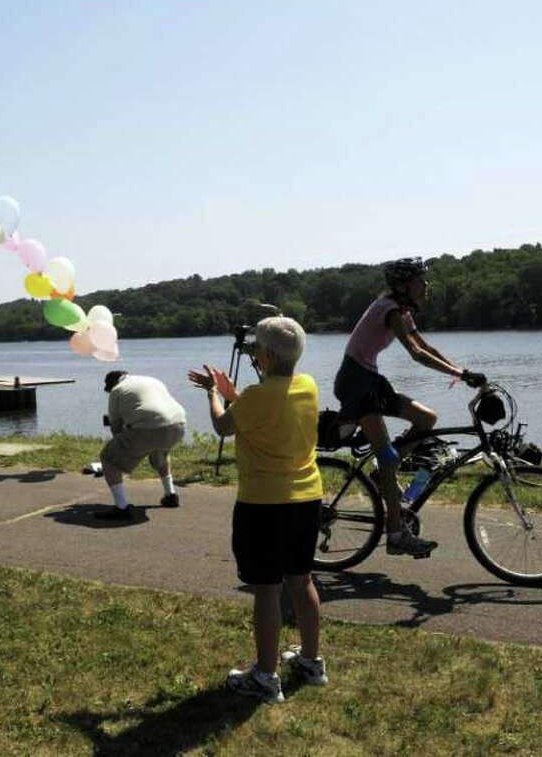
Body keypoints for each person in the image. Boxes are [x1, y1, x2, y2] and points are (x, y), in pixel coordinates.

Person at [189, 317, 328, 704]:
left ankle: (266, 678)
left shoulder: (254, 396)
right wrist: (237, 395)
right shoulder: (308, 385)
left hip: (264, 504)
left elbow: (223, 426)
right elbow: (268, 414)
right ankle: (311, 661)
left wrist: (214, 393)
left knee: (266, 588)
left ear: (264, 355)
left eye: (254, 350)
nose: (252, 355)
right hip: (306, 498)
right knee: (301, 580)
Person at [333, 258, 485, 558]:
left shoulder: (401, 310)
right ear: (404, 286)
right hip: (355, 383)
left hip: (370, 379)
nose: (427, 285)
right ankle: (395, 534)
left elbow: (426, 347)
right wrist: (460, 376)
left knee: (426, 418)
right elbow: (415, 354)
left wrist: (461, 370)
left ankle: (380, 476)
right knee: (388, 456)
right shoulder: (388, 309)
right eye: (421, 280)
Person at [95, 371, 188, 521]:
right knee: (160, 453)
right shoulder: (152, 379)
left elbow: (116, 429)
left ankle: (121, 507)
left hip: (148, 428)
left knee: (108, 458)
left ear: (111, 383)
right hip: (178, 425)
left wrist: (125, 455)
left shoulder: (116, 390)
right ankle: (170, 494)